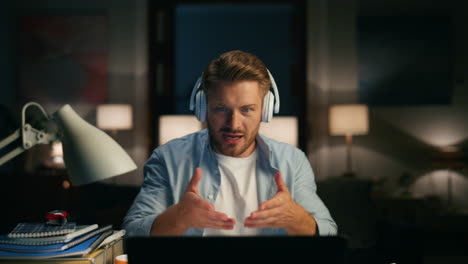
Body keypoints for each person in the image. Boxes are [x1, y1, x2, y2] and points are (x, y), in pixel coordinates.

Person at [123, 50, 337, 236]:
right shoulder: (168, 159)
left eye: (246, 110)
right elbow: (131, 233)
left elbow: (328, 232)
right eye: (221, 109)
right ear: (202, 107)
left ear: (265, 110)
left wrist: (295, 218)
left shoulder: (293, 161)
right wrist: (179, 217)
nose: (233, 124)